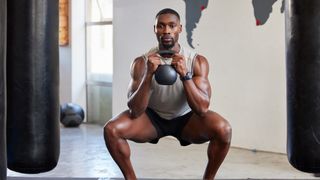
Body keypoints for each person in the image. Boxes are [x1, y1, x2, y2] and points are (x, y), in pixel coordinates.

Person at [103, 8, 232, 180]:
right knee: (111, 130)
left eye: (172, 26)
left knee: (224, 130)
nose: (166, 31)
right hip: (152, 118)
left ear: (180, 28)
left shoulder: (196, 61)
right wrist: (148, 75)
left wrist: (186, 75)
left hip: (187, 118)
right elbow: (135, 111)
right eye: (161, 26)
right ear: (155, 29)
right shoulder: (141, 63)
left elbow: (202, 109)